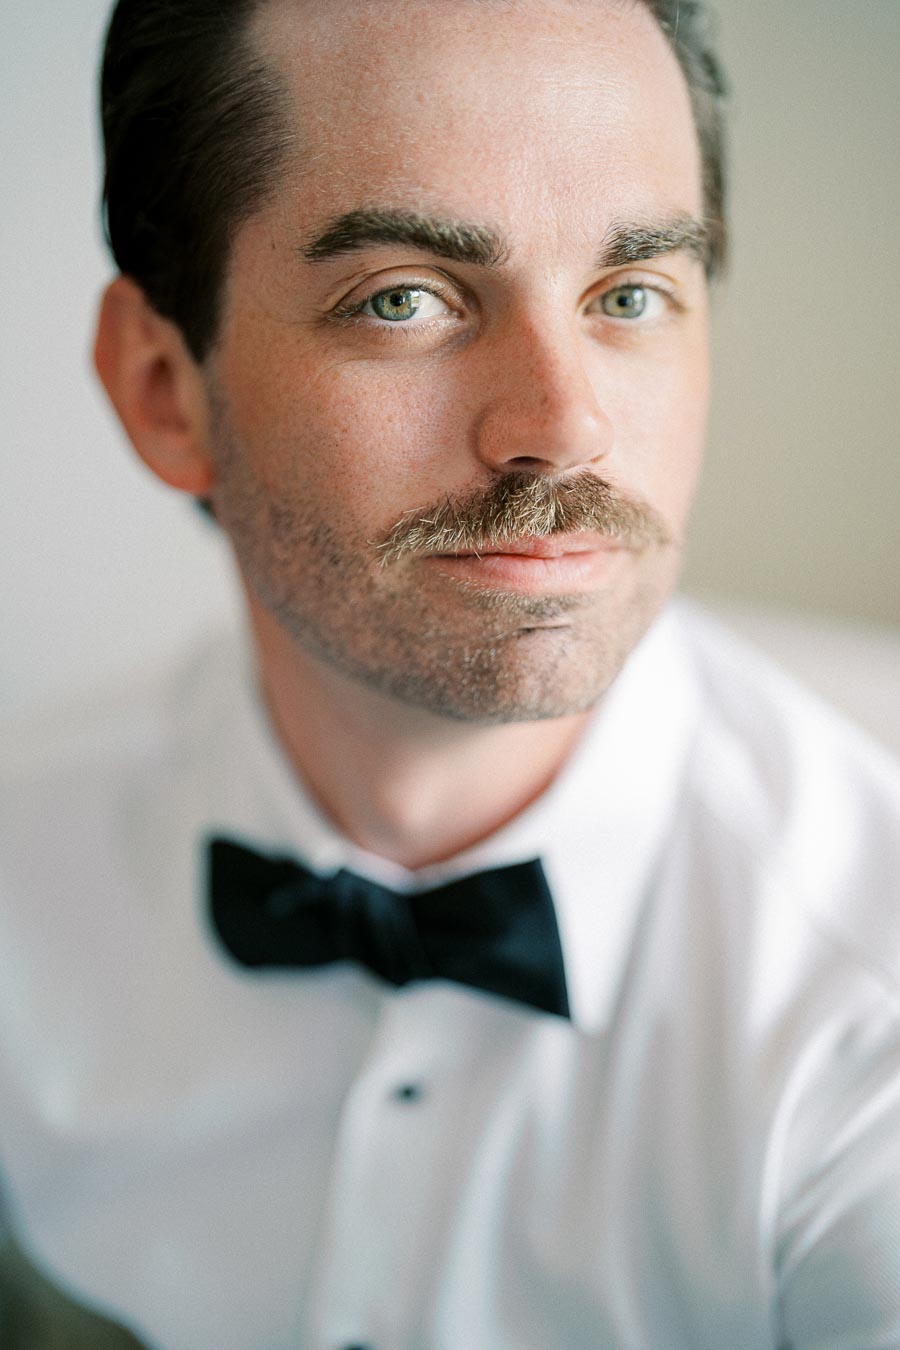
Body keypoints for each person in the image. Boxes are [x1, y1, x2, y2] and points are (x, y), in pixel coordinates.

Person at [1, 0, 899, 1346]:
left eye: (633, 294)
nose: (563, 425)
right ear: (162, 388)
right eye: (404, 297)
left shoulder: (865, 1016)